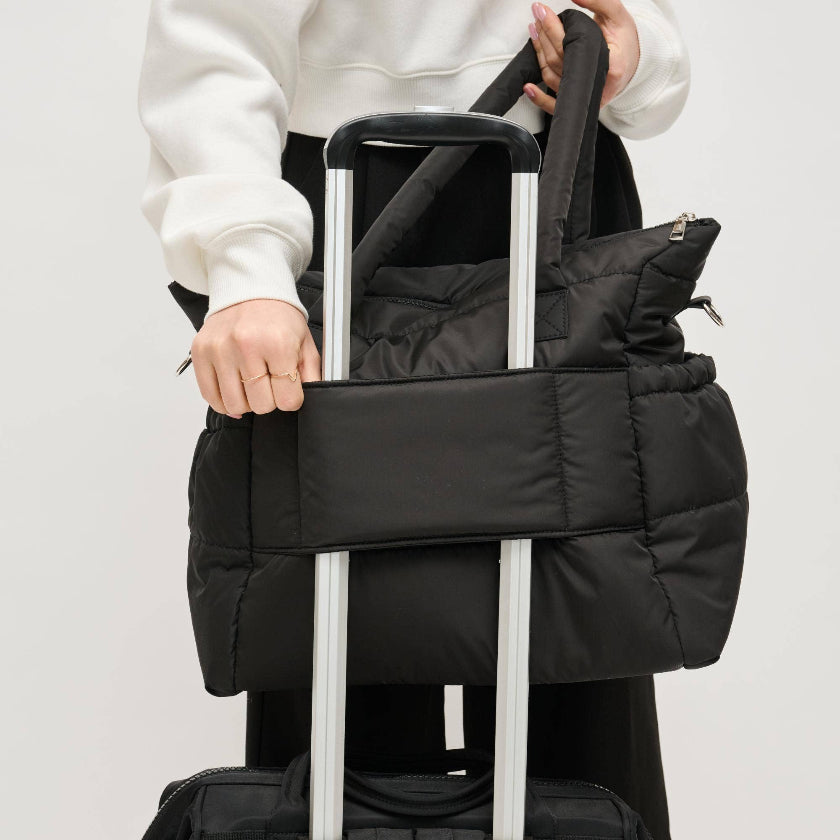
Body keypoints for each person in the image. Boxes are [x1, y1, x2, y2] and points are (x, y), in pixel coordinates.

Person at [139, 3, 690, 838]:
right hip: (343, 184)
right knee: (334, 657)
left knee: (581, 644)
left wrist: (635, 53)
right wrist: (246, 259)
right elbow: (215, 33)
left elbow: (628, 17)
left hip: (559, 156)